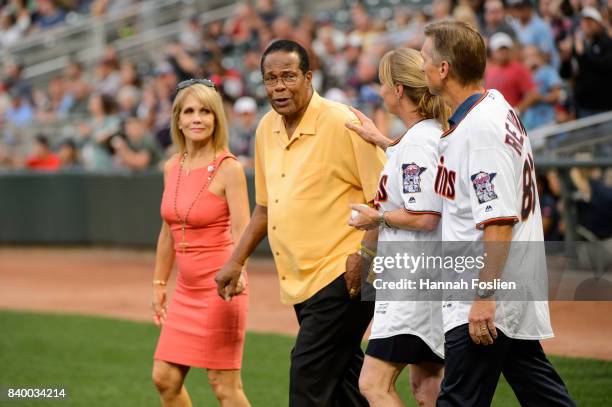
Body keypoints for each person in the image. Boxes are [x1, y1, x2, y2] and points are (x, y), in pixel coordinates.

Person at [215, 40, 385, 406]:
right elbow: (264, 208)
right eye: (270, 78)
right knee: (343, 383)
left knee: (307, 381)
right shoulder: (265, 129)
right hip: (301, 279)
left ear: (309, 77)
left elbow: (386, 197)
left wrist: (364, 256)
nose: (279, 87)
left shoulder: (344, 122)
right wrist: (235, 260)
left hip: (344, 273)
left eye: (288, 76)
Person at [420, 20, 576, 406]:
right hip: (508, 287)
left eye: (425, 58)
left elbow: (499, 219)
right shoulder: (493, 107)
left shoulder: (482, 129)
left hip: (487, 291)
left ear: (444, 69)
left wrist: (485, 296)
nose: (420, 65)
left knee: (458, 400)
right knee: (542, 395)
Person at [345, 48, 448, 407]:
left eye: (384, 82)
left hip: (412, 282)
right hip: (429, 278)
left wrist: (377, 218)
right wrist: (383, 141)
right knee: (427, 387)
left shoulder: (419, 142)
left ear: (400, 90)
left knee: (373, 385)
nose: (380, 90)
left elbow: (424, 215)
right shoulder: (425, 135)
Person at [151, 79, 251, 407]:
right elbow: (167, 232)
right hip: (185, 291)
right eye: (190, 111)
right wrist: (159, 283)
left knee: (224, 387)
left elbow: (243, 229)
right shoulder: (171, 167)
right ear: (178, 119)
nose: (198, 118)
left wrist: (239, 271)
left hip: (220, 287)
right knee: (165, 378)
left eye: (206, 111)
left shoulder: (229, 168)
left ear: (216, 118)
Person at [560, 7, 612, 118]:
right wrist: (566, 59)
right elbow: (566, 74)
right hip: (584, 106)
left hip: (604, 105)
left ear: (598, 24)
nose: (587, 25)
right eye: (584, 21)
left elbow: (605, 67)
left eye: (590, 21)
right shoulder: (578, 45)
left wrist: (583, 55)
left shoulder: (607, 43)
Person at [484, 32, 539, 117]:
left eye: (505, 49)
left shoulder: (519, 69)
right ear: (492, 52)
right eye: (500, 49)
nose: (503, 52)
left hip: (515, 120)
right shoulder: (489, 71)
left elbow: (532, 94)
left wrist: (517, 110)